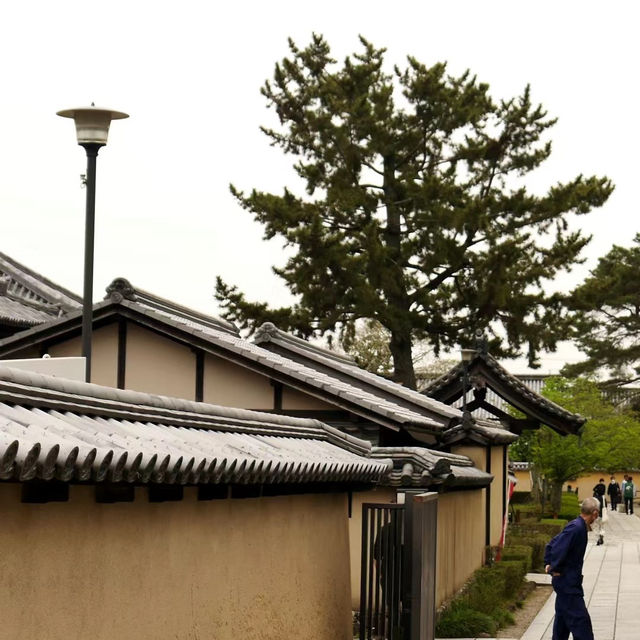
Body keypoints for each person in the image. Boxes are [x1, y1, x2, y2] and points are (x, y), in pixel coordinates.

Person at [544, 497, 599, 640]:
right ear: (595, 513)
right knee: (581, 624)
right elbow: (556, 546)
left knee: (562, 625)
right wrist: (552, 566)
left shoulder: (577, 526)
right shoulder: (576, 528)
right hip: (568, 584)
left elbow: (553, 544)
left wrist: (550, 564)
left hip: (567, 582)